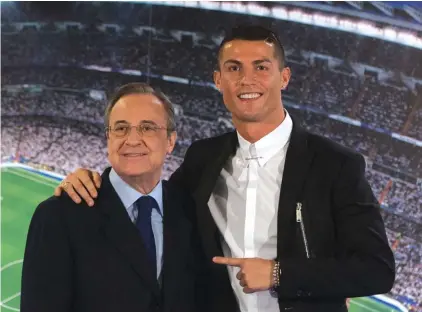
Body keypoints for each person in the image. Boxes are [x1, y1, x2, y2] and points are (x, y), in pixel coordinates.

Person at [54, 25, 395, 312]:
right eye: (234, 68)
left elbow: (377, 270)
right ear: (218, 79)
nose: (247, 80)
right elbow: (156, 200)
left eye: (261, 67)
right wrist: (94, 181)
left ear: (284, 77)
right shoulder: (205, 156)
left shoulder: (336, 165)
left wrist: (279, 274)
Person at [21, 83, 207, 312]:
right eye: (120, 128)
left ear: (170, 141)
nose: (132, 139)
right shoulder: (58, 216)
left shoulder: (188, 208)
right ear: (108, 138)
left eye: (147, 128)